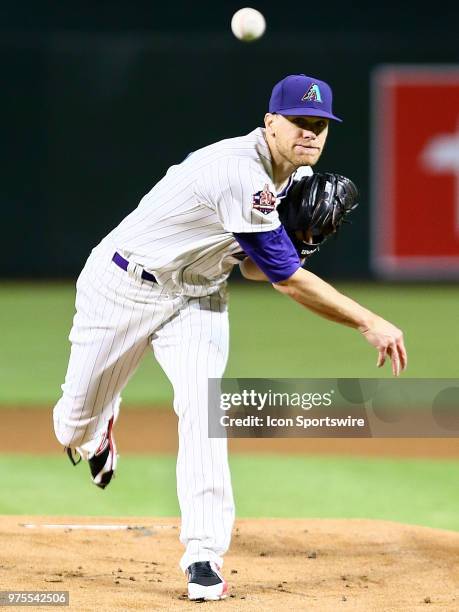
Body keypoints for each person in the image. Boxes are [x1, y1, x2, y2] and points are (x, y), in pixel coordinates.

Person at [53, 73, 407, 602]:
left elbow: (251, 270)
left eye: (320, 126)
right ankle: (95, 428)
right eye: (299, 123)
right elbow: (284, 279)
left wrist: (298, 243)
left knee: (204, 411)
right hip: (122, 285)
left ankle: (203, 554)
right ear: (270, 123)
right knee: (70, 426)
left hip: (196, 296)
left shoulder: (290, 179)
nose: (310, 134)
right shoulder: (239, 172)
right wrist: (367, 319)